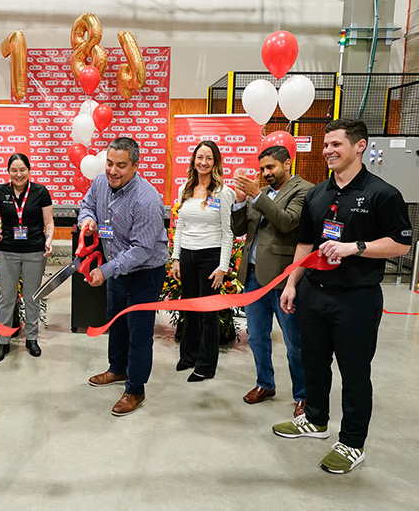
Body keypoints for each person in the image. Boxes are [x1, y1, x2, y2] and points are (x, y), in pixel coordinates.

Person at [273, 119, 412, 474]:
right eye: (325, 145)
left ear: (360, 146)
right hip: (313, 294)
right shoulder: (317, 194)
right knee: (313, 363)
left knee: (354, 372)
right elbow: (306, 243)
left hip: (356, 299)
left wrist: (356, 247)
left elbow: (400, 242)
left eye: (336, 144)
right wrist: (291, 284)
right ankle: (316, 420)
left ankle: (352, 443)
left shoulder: (383, 194)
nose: (328, 151)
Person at [80, 137, 169, 416]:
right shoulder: (100, 183)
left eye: (121, 165)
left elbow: (141, 250)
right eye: (109, 163)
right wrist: (87, 219)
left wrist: (105, 271)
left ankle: (135, 389)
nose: (113, 171)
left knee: (139, 334)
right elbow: (86, 204)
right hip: (118, 270)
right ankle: (117, 369)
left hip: (144, 274)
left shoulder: (147, 200)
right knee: (116, 323)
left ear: (135, 166)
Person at [231, 146, 313, 417]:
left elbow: (288, 222)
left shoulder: (304, 190)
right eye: (262, 169)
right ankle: (265, 384)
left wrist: (256, 195)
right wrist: (242, 200)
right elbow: (239, 229)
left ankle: (302, 395)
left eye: (271, 168)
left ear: (287, 163)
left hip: (282, 279)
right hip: (253, 278)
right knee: (256, 337)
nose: (266, 174)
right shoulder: (262, 194)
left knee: (294, 342)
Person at [171, 140, 234, 382]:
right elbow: (180, 226)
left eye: (209, 158)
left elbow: (228, 232)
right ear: (193, 160)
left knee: (208, 313)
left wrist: (222, 267)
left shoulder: (223, 192)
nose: (203, 162)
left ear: (215, 162)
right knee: (189, 308)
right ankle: (188, 356)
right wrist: (176, 258)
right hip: (187, 255)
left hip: (211, 256)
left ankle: (206, 365)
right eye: (200, 157)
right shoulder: (184, 188)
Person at [0, 153, 54, 362]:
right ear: (8, 172)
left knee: (32, 297)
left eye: (22, 170)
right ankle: (3, 341)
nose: (18, 174)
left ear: (29, 170)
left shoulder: (40, 192)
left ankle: (32, 339)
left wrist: (49, 238)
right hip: (7, 251)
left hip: (34, 250)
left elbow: (49, 221)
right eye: (14, 170)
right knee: (7, 297)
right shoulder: (0, 192)